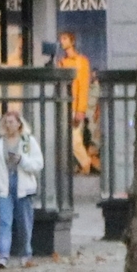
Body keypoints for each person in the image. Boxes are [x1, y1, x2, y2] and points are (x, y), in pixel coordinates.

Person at [0, 108, 40, 269]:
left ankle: (26, 253)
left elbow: (38, 164)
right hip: (4, 186)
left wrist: (22, 161)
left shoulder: (28, 141)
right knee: (5, 222)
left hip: (23, 185)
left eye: (11, 122)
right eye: (6, 122)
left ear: (19, 124)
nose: (8, 125)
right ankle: (3, 255)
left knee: (24, 222)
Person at [56, 32, 98, 175]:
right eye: (61, 39)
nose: (62, 42)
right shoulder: (61, 62)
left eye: (65, 39)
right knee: (67, 139)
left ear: (72, 41)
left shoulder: (81, 61)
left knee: (74, 140)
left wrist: (81, 109)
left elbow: (83, 86)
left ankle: (85, 163)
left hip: (74, 106)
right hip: (63, 105)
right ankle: (79, 165)